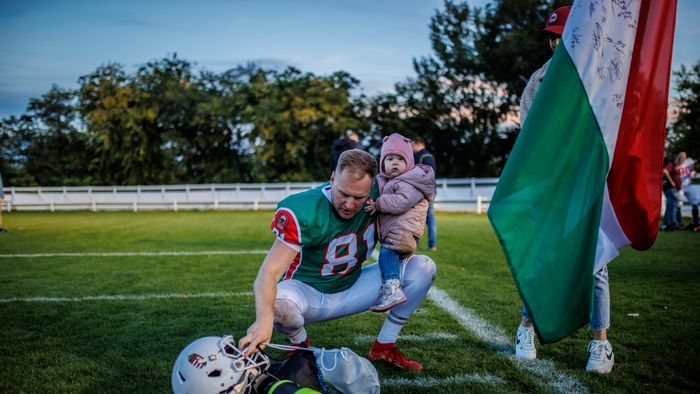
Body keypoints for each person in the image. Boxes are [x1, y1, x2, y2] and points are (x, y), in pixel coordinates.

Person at [239, 149, 436, 373]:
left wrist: (408, 239)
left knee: (423, 267)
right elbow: (269, 273)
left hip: (355, 286)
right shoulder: (306, 208)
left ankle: (384, 345)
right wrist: (263, 320)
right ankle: (301, 345)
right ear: (333, 178)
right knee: (278, 305)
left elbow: (416, 195)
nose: (350, 205)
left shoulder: (381, 194)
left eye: (359, 198)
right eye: (343, 194)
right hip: (307, 293)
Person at [514, 5, 614, 374]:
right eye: (552, 37)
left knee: (595, 262)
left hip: (589, 183)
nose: (556, 43)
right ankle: (527, 328)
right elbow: (528, 137)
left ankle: (600, 342)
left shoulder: (606, 76)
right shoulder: (539, 81)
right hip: (549, 185)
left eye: (563, 35)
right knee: (540, 260)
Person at [364, 133, 435, 312]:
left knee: (387, 253)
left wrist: (379, 204)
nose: (394, 163)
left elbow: (401, 202)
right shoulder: (389, 180)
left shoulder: (410, 180)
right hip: (398, 229)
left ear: (409, 162)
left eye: (399, 159)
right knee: (392, 257)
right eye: (389, 159)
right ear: (382, 163)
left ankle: (392, 288)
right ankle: (400, 289)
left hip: (405, 231)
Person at [411, 137, 437, 251]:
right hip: (431, 191)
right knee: (430, 218)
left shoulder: (419, 157)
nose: (411, 148)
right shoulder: (430, 156)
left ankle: (415, 243)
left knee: (417, 218)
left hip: (421, 193)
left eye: (412, 145)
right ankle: (432, 244)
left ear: (418, 144)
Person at [674, 149, 699, 230]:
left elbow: (692, 170)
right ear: (679, 155)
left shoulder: (689, 161)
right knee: (678, 205)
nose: (684, 156)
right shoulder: (675, 164)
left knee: (695, 204)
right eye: (682, 155)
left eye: (685, 155)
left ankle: (696, 222)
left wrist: (693, 173)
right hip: (679, 187)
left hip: (689, 185)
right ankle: (679, 223)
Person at [662, 155, 681, 231]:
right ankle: (671, 224)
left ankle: (667, 224)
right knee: (672, 206)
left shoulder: (674, 165)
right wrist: (672, 181)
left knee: (670, 206)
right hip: (670, 188)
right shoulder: (671, 164)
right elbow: (665, 171)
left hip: (671, 188)